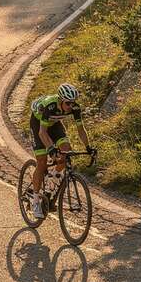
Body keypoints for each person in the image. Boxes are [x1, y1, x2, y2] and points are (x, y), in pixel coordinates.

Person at [26, 84, 91, 219]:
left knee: (66, 153)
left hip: (55, 124)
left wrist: (88, 147)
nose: (70, 106)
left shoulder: (74, 108)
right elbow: (42, 132)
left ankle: (50, 185)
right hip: (38, 124)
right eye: (67, 103)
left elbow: (81, 129)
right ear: (60, 100)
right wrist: (50, 149)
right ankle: (35, 200)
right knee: (42, 161)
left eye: (73, 103)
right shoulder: (49, 106)